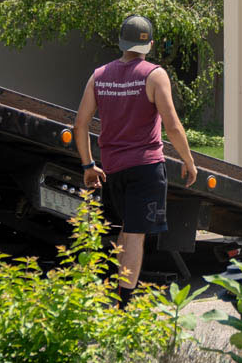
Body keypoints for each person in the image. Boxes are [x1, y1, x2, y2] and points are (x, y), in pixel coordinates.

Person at [73, 15, 198, 301]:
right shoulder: (154, 75)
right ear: (150, 45)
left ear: (120, 42)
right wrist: (188, 161)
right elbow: (173, 124)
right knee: (135, 235)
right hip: (146, 167)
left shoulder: (99, 76)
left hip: (112, 168)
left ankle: (115, 293)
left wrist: (88, 166)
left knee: (125, 231)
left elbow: (80, 126)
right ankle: (124, 304)